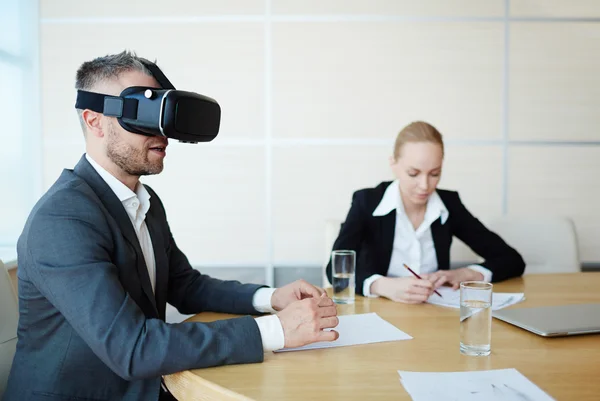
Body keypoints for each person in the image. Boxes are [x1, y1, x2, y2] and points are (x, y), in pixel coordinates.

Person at [3, 51, 339, 401]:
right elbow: (132, 347)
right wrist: (274, 331)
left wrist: (269, 298)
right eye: (143, 114)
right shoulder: (62, 219)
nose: (162, 133)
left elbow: (184, 285)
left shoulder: (144, 201)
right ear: (95, 121)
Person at [326, 121, 525, 303]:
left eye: (434, 174)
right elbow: (334, 270)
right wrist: (384, 286)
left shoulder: (449, 204)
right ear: (393, 164)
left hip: (435, 316)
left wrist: (465, 273)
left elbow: (512, 260)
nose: (425, 186)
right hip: (380, 310)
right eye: (413, 174)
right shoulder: (367, 202)